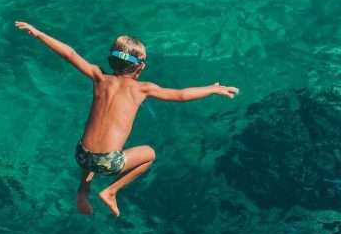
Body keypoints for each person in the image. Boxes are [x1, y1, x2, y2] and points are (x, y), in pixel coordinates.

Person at [14, 21, 239, 216]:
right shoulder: (142, 89)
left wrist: (38, 33)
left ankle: (83, 191)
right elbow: (180, 95)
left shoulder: (99, 77)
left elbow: (70, 54)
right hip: (108, 162)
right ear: (140, 66)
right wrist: (211, 89)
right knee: (150, 154)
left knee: (94, 148)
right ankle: (111, 192)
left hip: (81, 155)